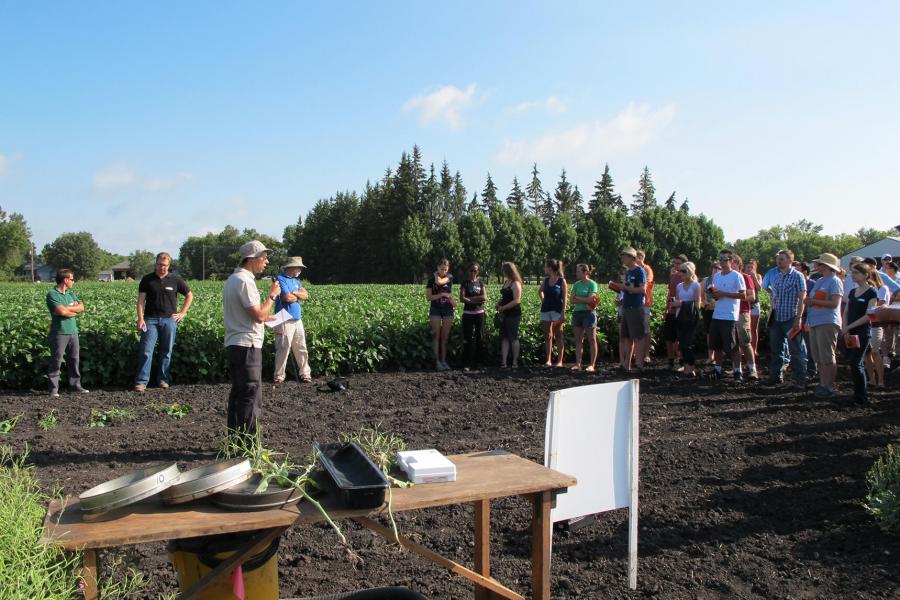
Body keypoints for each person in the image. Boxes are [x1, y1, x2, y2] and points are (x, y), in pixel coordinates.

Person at [223, 240, 281, 434]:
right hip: (247, 345)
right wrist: (272, 296)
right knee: (250, 394)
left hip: (236, 343)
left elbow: (252, 315)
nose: (266, 262)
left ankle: (234, 441)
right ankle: (248, 444)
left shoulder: (233, 279)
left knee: (239, 394)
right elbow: (258, 316)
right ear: (252, 259)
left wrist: (267, 319)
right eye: (263, 258)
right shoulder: (244, 281)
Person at [134, 252, 193, 392]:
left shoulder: (175, 280)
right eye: (160, 264)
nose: (162, 267)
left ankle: (163, 379)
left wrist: (183, 312)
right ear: (156, 264)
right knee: (146, 351)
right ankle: (142, 382)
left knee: (166, 351)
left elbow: (189, 295)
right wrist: (140, 318)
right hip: (150, 320)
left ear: (169, 265)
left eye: (165, 265)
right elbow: (141, 301)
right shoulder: (147, 280)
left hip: (169, 320)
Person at [766, 249, 808, 388]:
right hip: (777, 318)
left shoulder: (798, 276)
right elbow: (774, 296)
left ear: (790, 261)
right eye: (778, 259)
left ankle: (800, 379)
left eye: (782, 259)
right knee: (776, 349)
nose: (779, 261)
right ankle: (776, 376)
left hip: (791, 318)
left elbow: (802, 298)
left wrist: (799, 317)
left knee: (796, 349)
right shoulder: (777, 277)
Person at [805, 254, 844, 398]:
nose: (816, 266)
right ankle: (822, 384)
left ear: (827, 266)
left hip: (828, 322)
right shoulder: (820, 280)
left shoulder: (835, 281)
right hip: (815, 321)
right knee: (819, 356)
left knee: (827, 355)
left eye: (819, 264)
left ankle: (829, 386)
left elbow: (835, 303)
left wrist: (813, 302)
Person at [46, 269, 89, 397]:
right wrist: (70, 310)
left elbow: (81, 307)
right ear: (65, 280)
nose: (73, 281)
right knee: (57, 360)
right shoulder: (52, 294)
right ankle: (53, 389)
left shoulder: (70, 294)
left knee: (74, 359)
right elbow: (61, 312)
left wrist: (68, 308)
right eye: (72, 279)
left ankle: (75, 386)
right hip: (59, 332)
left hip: (73, 331)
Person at [842, 263, 879, 405]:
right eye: (853, 272)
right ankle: (857, 394)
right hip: (850, 333)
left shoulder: (872, 292)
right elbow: (846, 312)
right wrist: (845, 328)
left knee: (857, 363)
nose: (853, 275)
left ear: (865, 275)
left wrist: (849, 327)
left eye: (856, 272)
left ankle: (861, 397)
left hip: (862, 333)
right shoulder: (852, 292)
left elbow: (868, 316)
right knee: (853, 363)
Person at [707, 249, 746, 381]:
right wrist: (714, 294)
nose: (722, 262)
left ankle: (737, 371)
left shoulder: (736, 276)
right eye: (720, 259)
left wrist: (724, 294)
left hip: (730, 316)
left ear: (731, 261)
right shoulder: (716, 276)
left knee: (733, 347)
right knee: (716, 345)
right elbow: (716, 295)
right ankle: (718, 370)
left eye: (725, 259)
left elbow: (743, 295)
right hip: (717, 314)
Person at [273, 257, 312, 385]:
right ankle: (279, 376)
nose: (301, 270)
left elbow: (306, 295)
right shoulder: (280, 279)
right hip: (284, 319)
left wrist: (294, 292)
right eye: (299, 267)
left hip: (297, 319)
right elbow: (286, 297)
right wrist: (297, 295)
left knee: (301, 347)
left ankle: (305, 374)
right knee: (283, 348)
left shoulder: (296, 281)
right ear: (291, 267)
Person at [670, 261, 701, 378]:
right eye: (680, 271)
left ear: (690, 272)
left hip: (691, 318)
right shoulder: (679, 286)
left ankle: (691, 367)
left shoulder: (696, 285)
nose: (680, 273)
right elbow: (677, 300)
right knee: (682, 344)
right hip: (680, 317)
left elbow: (697, 303)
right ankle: (687, 368)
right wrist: (674, 304)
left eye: (683, 271)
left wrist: (682, 303)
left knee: (687, 343)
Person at [731, 254, 759, 380]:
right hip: (729, 314)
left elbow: (752, 297)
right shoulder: (725, 278)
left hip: (742, 313)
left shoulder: (745, 277)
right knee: (734, 344)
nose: (730, 264)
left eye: (733, 262)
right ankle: (737, 370)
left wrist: (733, 296)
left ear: (738, 264)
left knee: (745, 342)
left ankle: (753, 369)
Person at [426, 259, 456, 371]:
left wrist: (449, 297)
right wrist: (442, 294)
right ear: (437, 267)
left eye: (446, 269)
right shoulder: (430, 280)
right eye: (442, 268)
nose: (444, 271)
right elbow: (429, 297)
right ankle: (437, 362)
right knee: (436, 336)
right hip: (435, 309)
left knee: (445, 337)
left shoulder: (450, 277)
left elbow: (439, 282)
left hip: (448, 309)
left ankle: (444, 361)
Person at [619, 248, 646, 373]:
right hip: (627, 306)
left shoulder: (640, 271)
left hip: (635, 307)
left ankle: (639, 364)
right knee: (628, 337)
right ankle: (627, 364)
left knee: (638, 337)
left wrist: (626, 288)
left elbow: (642, 290)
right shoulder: (629, 272)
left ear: (632, 258)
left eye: (625, 257)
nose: (623, 259)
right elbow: (629, 288)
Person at [570, 263, 599, 372]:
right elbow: (572, 300)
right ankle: (578, 364)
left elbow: (590, 300)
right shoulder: (576, 284)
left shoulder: (592, 284)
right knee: (578, 340)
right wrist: (584, 299)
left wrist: (578, 297)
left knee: (592, 339)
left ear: (585, 272)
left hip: (589, 313)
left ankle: (592, 364)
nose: (576, 273)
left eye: (578, 271)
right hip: (577, 313)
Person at [539, 259, 567, 368]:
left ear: (550, 268)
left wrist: (563, 314)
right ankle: (548, 360)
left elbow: (565, 298)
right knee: (548, 336)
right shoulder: (545, 280)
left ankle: (560, 361)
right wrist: (543, 299)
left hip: (557, 311)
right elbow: (540, 291)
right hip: (546, 310)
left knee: (559, 335)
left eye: (546, 266)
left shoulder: (561, 281)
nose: (544, 268)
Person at [459, 262, 487, 371]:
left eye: (475, 270)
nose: (473, 273)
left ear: (478, 271)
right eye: (471, 270)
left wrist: (470, 299)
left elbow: (484, 297)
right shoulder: (465, 283)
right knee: (468, 339)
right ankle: (467, 363)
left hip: (479, 314)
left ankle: (479, 362)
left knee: (480, 338)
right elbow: (462, 298)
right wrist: (477, 299)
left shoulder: (481, 283)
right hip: (468, 314)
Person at [663, 254, 688, 370]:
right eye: (675, 263)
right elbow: (670, 293)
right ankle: (670, 361)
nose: (676, 265)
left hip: (682, 311)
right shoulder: (673, 276)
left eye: (678, 263)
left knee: (681, 337)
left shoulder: (688, 278)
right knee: (669, 337)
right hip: (671, 311)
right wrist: (666, 309)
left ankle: (682, 361)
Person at [496, 261, 523, 368]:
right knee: (504, 337)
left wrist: (503, 307)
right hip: (504, 313)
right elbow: (504, 297)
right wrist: (498, 304)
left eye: (503, 269)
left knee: (513, 337)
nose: (502, 271)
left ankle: (515, 362)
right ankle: (504, 362)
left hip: (513, 314)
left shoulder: (516, 283)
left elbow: (517, 300)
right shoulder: (507, 282)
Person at [635, 250, 654, 365]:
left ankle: (646, 354)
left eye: (638, 257)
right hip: (635, 303)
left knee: (646, 330)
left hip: (645, 303)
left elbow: (647, 283)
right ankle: (637, 353)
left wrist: (634, 286)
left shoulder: (647, 269)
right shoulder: (632, 270)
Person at [700, 261, 721, 363]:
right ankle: (710, 356)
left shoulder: (722, 280)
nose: (716, 270)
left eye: (719, 268)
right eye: (715, 268)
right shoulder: (706, 280)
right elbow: (700, 296)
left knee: (719, 333)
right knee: (709, 333)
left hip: (720, 310)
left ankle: (719, 357)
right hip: (708, 310)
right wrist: (705, 303)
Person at [744, 259, 763, 355]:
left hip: (754, 304)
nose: (750, 269)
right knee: (744, 328)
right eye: (748, 267)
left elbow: (760, 288)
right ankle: (745, 350)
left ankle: (754, 349)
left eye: (752, 267)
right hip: (745, 305)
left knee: (753, 328)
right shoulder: (742, 276)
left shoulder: (758, 276)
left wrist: (754, 278)